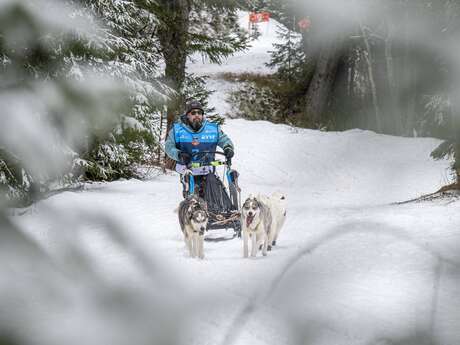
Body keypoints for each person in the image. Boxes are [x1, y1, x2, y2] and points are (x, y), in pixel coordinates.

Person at [165, 100, 234, 197]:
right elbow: (168, 146)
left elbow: (225, 140)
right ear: (187, 115)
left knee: (216, 194)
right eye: (193, 113)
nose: (197, 115)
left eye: (199, 113)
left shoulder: (213, 129)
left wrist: (228, 148)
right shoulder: (177, 130)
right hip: (188, 170)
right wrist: (178, 154)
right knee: (195, 197)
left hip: (208, 169)